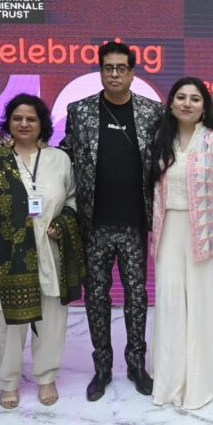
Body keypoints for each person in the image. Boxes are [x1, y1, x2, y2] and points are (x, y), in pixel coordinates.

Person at [61, 41, 164, 402]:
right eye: (109, 68)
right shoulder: (80, 111)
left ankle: (137, 365)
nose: (115, 74)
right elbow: (65, 155)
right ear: (100, 71)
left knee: (137, 298)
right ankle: (102, 368)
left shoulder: (153, 112)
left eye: (122, 68)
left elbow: (173, 150)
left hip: (134, 223)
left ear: (132, 73)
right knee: (96, 298)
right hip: (95, 225)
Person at [0, 93, 84, 409]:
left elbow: (73, 199)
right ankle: (8, 382)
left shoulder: (59, 159)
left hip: (50, 251)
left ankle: (46, 377)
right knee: (10, 326)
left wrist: (62, 224)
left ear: (42, 123)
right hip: (7, 257)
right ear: (8, 122)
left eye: (31, 119)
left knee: (52, 321)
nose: (24, 124)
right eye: (17, 118)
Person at [148, 77, 213, 409]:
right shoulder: (160, 139)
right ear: (171, 103)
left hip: (207, 233)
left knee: (205, 305)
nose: (187, 103)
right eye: (181, 97)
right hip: (168, 231)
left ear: (204, 106)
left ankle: (206, 380)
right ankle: (171, 380)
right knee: (170, 304)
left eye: (195, 99)